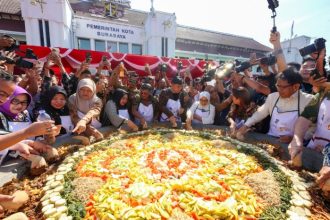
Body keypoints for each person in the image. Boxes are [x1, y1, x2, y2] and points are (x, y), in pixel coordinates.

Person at [237, 68, 314, 143]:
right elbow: (260, 113)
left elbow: (314, 127)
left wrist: (295, 138)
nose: (279, 90)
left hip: (292, 145)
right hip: (270, 140)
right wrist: (246, 125)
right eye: (278, 86)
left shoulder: (308, 100)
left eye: (283, 87)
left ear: (296, 87)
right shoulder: (273, 97)